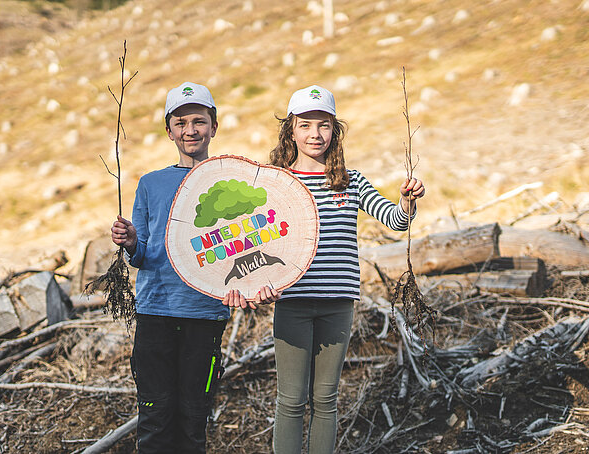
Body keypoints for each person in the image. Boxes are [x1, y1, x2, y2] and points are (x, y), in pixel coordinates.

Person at [110, 82, 277, 453]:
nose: (190, 130)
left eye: (199, 121)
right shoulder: (150, 184)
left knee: (193, 418)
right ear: (168, 130)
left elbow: (247, 245)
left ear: (213, 127)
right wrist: (132, 241)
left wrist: (255, 287)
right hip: (155, 314)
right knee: (155, 418)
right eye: (181, 122)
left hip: (205, 316)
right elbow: (140, 257)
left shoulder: (230, 178)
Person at [266, 85, 425, 454]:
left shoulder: (350, 181)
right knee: (290, 400)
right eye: (305, 125)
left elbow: (396, 220)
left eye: (323, 125)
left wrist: (406, 201)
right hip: (292, 304)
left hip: (338, 304)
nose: (315, 135)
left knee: (326, 399)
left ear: (334, 130)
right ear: (291, 129)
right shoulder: (276, 182)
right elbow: (256, 243)